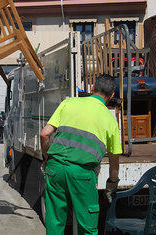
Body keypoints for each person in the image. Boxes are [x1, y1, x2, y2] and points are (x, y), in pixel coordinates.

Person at [40, 74, 121, 235]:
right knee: (87, 227)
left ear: (92, 89)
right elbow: (114, 160)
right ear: (111, 96)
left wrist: (47, 159)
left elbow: (44, 134)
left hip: (55, 169)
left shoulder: (68, 103)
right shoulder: (110, 119)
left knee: (55, 221)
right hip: (83, 174)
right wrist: (112, 183)